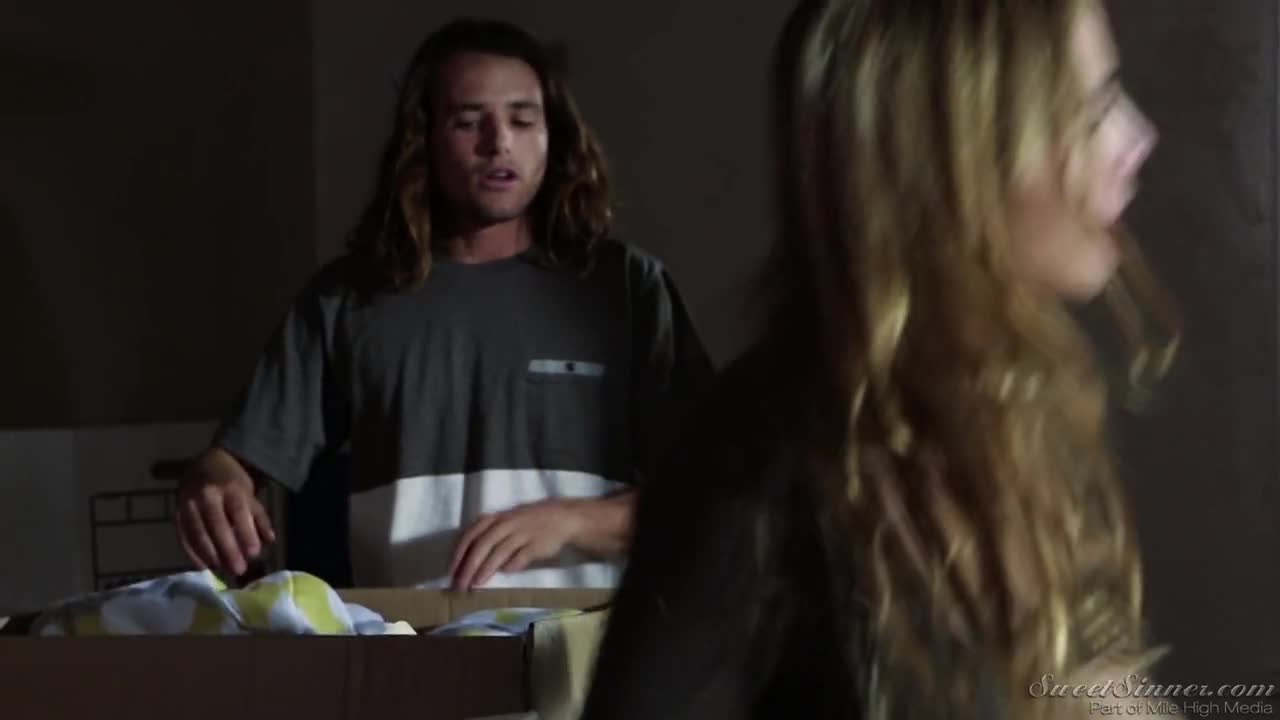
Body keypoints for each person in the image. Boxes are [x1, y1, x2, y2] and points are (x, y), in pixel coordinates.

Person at [581, 0, 1180, 718]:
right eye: (1091, 112)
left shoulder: (1026, 414)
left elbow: (1098, 688)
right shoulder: (754, 468)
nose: (1138, 139)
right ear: (950, 163)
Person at [173, 18, 713, 591]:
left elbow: (713, 491)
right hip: (407, 637)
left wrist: (573, 521)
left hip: (581, 640)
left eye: (522, 120)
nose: (498, 142)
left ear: (553, 135)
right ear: (424, 138)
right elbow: (232, 462)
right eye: (468, 122)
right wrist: (214, 483)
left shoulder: (626, 288)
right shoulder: (347, 300)